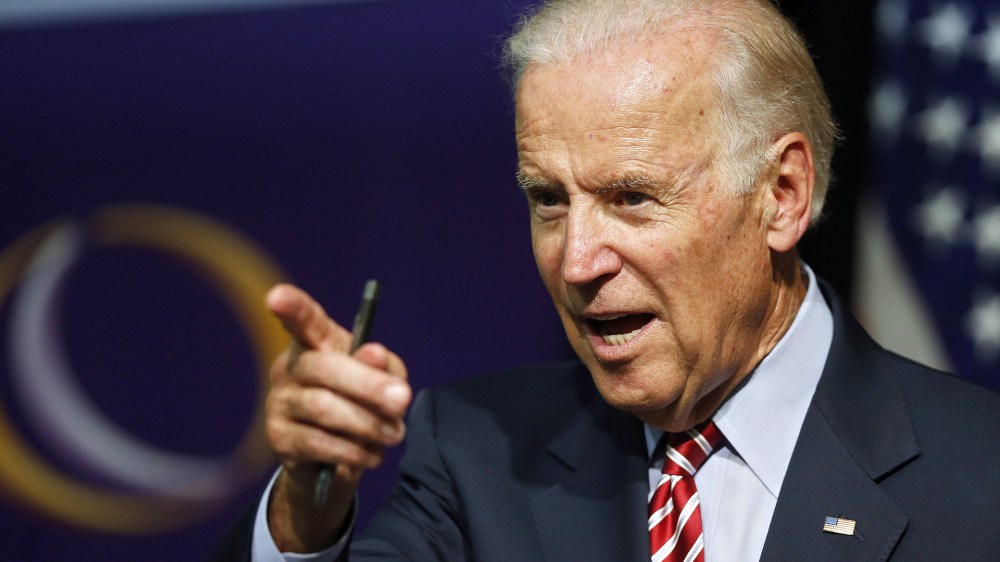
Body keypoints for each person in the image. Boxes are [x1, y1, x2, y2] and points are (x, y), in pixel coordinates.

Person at [213, 0, 1000, 560]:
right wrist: (305, 512)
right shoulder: (476, 452)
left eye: (631, 198)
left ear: (782, 194)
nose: (577, 261)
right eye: (548, 201)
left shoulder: (980, 473)